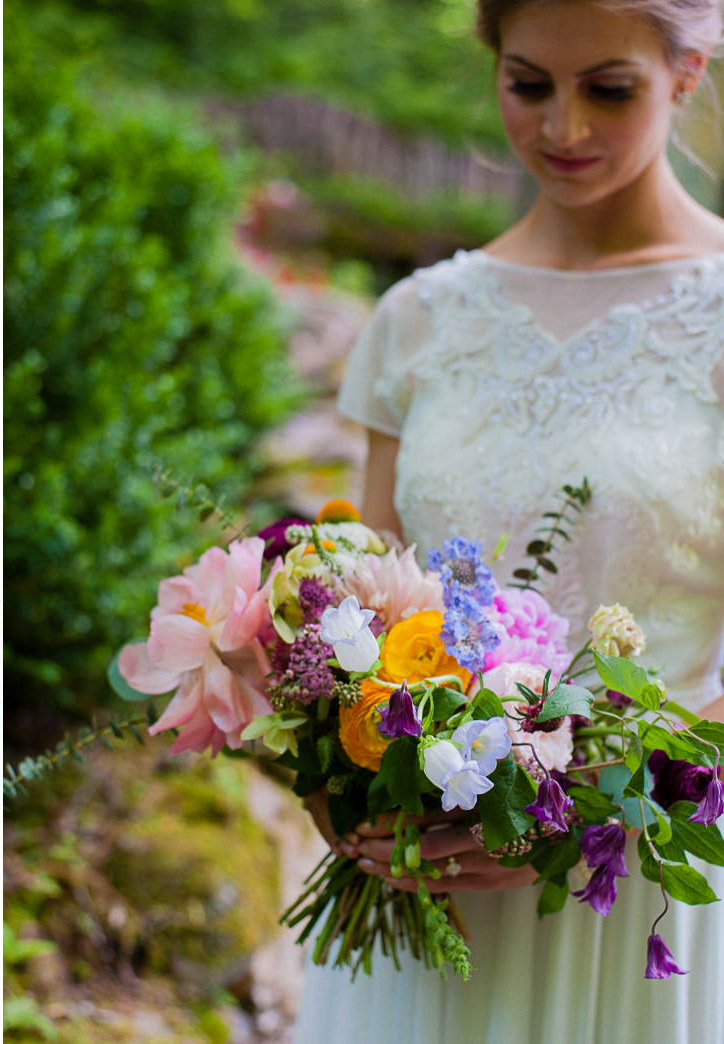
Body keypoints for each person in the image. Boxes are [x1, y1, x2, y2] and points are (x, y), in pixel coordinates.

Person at [294, 1, 724, 1041]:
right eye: (529, 84)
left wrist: (580, 802)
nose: (562, 127)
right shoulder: (420, 319)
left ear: (687, 73)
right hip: (429, 886)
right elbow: (365, 598)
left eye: (607, 89)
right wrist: (337, 775)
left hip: (643, 890)